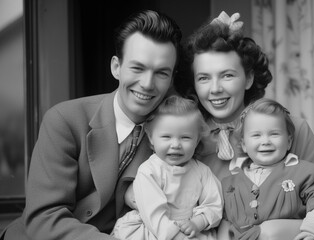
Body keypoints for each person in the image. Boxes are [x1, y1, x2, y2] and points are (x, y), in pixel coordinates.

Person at [126, 12, 314, 240]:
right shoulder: (183, 137)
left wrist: (272, 232)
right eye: (203, 78)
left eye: (227, 75)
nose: (215, 89)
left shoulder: (292, 129)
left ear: (249, 78)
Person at [0, 9, 182, 240]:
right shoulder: (64, 119)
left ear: (171, 79)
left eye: (161, 73)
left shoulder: (175, 133)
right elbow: (45, 216)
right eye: (137, 68)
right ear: (116, 67)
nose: (147, 84)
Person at [221, 98, 314, 240]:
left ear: (289, 141)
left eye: (274, 134)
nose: (265, 141)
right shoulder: (230, 182)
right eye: (256, 135)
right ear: (243, 144)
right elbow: (225, 223)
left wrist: (313, 232)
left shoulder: (306, 172)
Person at [111, 95, 223, 240]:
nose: (175, 144)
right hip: (153, 229)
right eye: (166, 137)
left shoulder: (202, 171)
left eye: (185, 137)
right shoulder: (149, 171)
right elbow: (154, 214)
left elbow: (214, 204)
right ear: (151, 138)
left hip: (191, 227)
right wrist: (177, 236)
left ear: (197, 140)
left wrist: (198, 223)